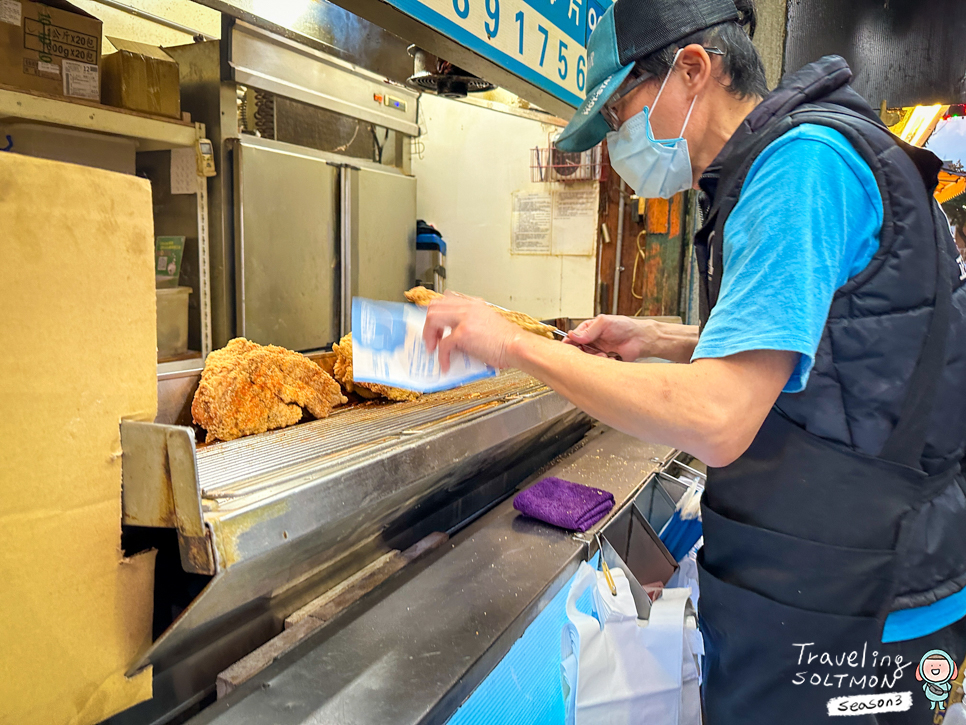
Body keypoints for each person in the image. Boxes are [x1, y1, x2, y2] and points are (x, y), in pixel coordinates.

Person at [422, 0, 966, 722]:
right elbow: (823, 336)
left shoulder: (797, 169)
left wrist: (511, 344)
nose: (618, 139)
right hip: (859, 574)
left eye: (621, 113)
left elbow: (718, 416)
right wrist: (658, 340)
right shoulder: (811, 153)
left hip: (854, 604)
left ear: (692, 70)